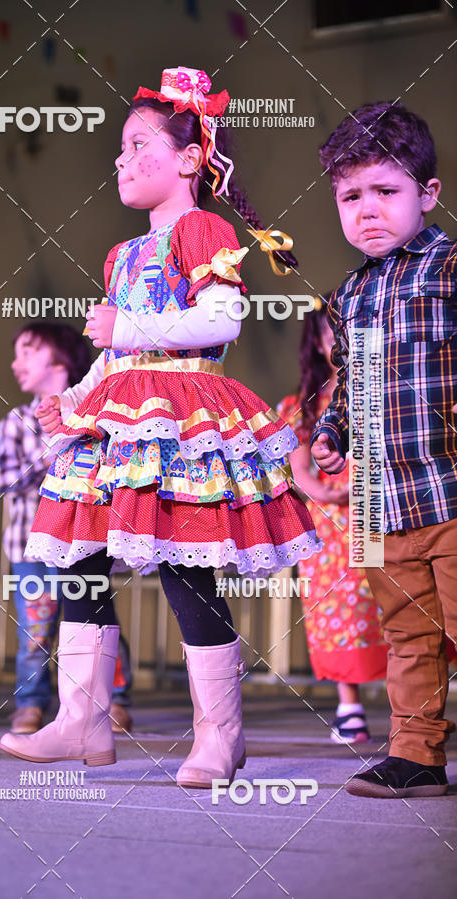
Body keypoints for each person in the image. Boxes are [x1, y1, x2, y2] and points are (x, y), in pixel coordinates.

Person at [0, 66, 322, 787]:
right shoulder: (121, 255)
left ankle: (220, 733)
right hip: (118, 421)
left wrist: (129, 323)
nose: (121, 158)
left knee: (185, 563)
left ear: (188, 158)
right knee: (80, 556)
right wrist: (76, 397)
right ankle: (79, 721)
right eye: (119, 147)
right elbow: (117, 352)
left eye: (139, 144)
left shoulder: (202, 228)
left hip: (181, 416)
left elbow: (222, 317)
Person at [312, 101, 457, 798]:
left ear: (428, 194)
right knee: (408, 637)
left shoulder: (450, 267)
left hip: (450, 490)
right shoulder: (347, 295)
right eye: (350, 196)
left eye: (386, 191)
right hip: (381, 503)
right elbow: (348, 390)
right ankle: (417, 755)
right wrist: (331, 434)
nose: (367, 209)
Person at [0, 322, 133, 735]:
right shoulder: (16, 422)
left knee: (94, 621)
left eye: (28, 352)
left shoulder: (90, 417)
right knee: (35, 630)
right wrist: (51, 456)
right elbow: (6, 481)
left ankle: (113, 700)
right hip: (31, 547)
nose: (16, 363)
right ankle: (32, 702)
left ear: (59, 357)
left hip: (80, 540)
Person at [277, 302, 388, 744]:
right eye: (330, 335)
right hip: (328, 523)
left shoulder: (382, 392)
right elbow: (300, 468)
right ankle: (350, 705)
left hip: (378, 513)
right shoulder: (302, 405)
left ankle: (416, 708)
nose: (339, 343)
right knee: (336, 609)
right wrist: (324, 492)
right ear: (318, 344)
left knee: (395, 602)